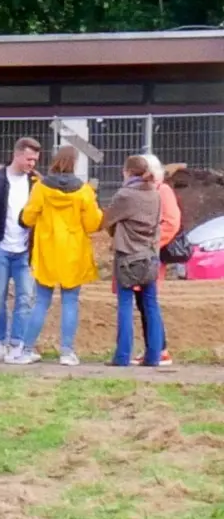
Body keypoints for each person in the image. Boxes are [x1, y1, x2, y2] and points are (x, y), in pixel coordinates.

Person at [18, 146, 101, 367]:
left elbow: (28, 217)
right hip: (74, 252)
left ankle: (26, 350)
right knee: (70, 302)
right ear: (75, 164)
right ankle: (67, 352)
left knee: (41, 301)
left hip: (47, 251)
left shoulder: (40, 189)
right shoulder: (84, 191)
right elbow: (93, 224)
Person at [0, 137, 42, 363]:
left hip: (25, 251)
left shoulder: (36, 183)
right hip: (0, 248)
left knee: (25, 298)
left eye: (35, 160)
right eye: (29, 159)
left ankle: (17, 343)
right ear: (18, 154)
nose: (32, 164)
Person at [102, 155, 164, 367]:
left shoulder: (125, 195)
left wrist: (116, 230)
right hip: (149, 256)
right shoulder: (155, 194)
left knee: (125, 305)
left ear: (127, 171)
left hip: (127, 257)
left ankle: (122, 356)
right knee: (151, 305)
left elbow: (107, 221)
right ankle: (154, 356)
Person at [140, 154, 180, 367]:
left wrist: (150, 245)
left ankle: (159, 349)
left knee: (149, 302)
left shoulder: (162, 191)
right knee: (145, 303)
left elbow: (171, 222)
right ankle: (154, 348)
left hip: (150, 256)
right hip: (146, 255)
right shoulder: (152, 191)